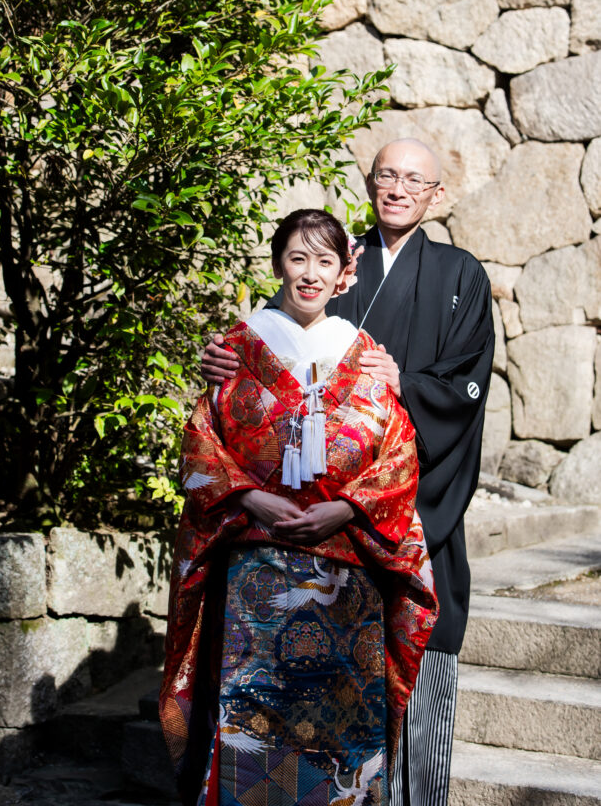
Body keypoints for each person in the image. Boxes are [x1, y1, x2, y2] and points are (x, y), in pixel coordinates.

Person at [201, 141, 495, 806]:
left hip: (403, 510)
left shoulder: (459, 274)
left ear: (434, 196)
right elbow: (273, 357)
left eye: (413, 179)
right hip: (302, 528)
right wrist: (225, 363)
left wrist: (408, 385)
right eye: (386, 175)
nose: (397, 188)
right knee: (319, 702)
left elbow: (466, 386)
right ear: (368, 183)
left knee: (422, 663)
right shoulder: (334, 262)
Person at [160, 209, 438, 806]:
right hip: (257, 571)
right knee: (252, 722)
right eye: (297, 258)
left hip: (349, 569)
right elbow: (202, 441)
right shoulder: (238, 345)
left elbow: (398, 452)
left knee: (342, 724)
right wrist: (252, 498)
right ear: (278, 263)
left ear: (343, 274)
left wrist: (348, 510)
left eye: (325, 261)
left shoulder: (364, 351)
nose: (309, 274)